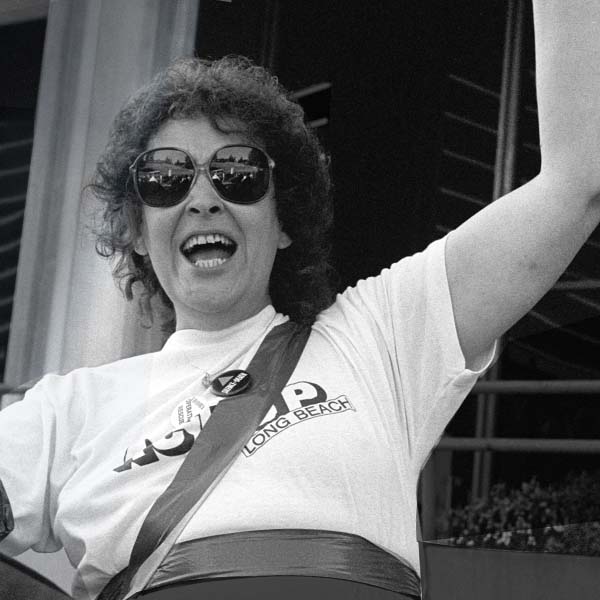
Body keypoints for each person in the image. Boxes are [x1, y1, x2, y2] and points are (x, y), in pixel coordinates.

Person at [2, 1, 600, 598]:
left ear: (284, 218)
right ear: (135, 227)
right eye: (167, 176)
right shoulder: (67, 412)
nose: (204, 198)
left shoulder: (381, 337)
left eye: (238, 173)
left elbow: (576, 185)